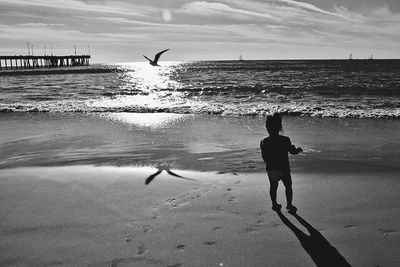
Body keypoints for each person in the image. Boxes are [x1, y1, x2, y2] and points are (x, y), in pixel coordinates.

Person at [260, 113, 302, 213]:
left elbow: (264, 156)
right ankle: (289, 205)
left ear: (267, 127)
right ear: (279, 127)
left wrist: (269, 164)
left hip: (271, 169)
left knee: (273, 187)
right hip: (284, 168)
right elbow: (293, 151)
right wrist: (298, 149)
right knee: (288, 187)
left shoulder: (264, 141)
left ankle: (274, 204)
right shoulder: (285, 140)